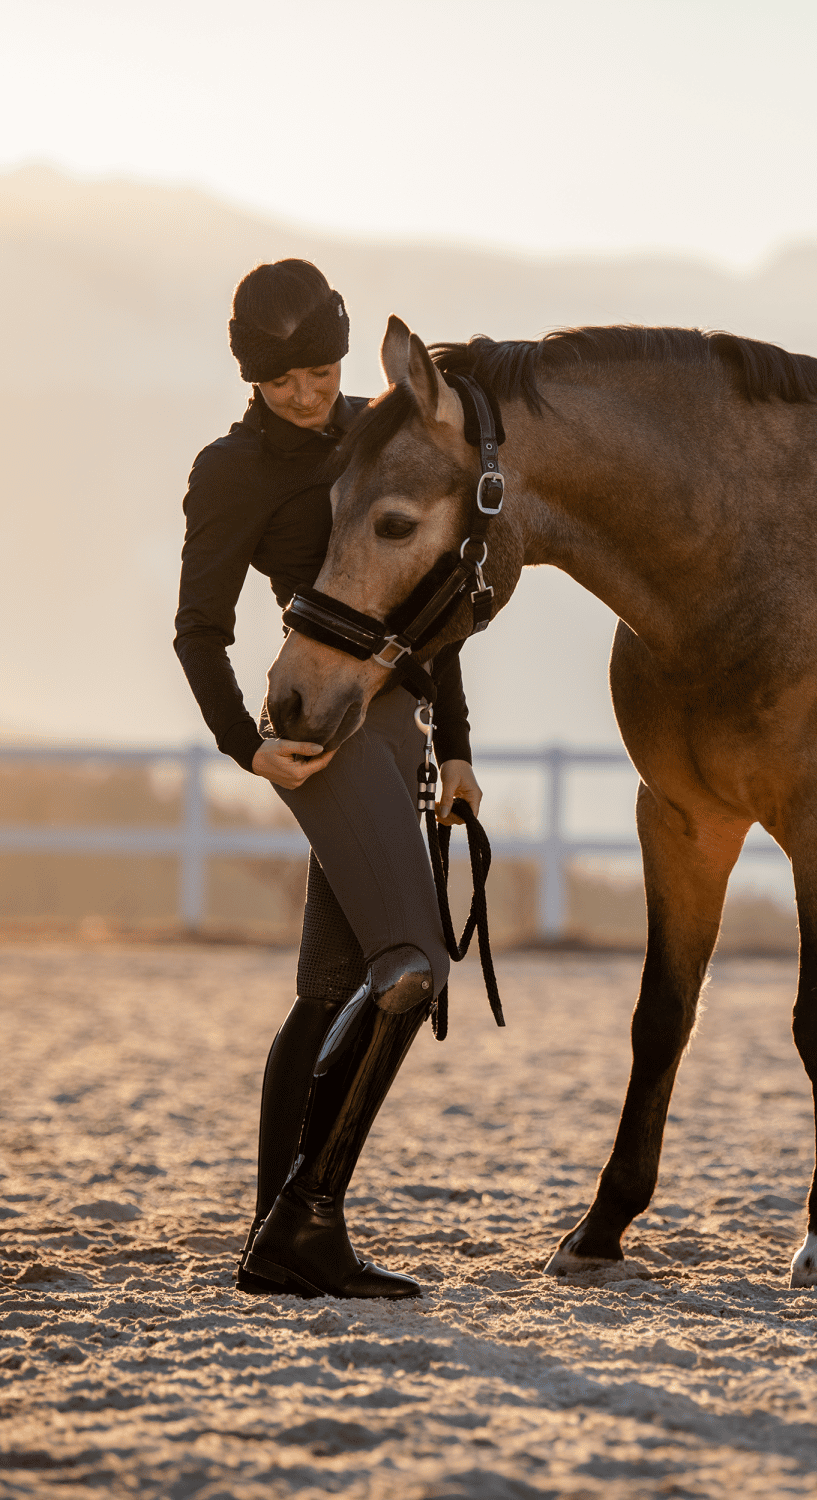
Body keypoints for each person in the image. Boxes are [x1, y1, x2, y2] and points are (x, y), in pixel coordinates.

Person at [174, 259, 482, 1300]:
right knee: (410, 967)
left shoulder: (377, 433)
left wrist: (460, 751)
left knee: (326, 993)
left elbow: (432, 596)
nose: (307, 393)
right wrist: (243, 746)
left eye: (320, 370)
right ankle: (306, 1223)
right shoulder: (231, 473)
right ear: (249, 376)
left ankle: (276, 1232)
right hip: (318, 729)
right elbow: (198, 632)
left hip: (403, 723)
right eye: (281, 380)